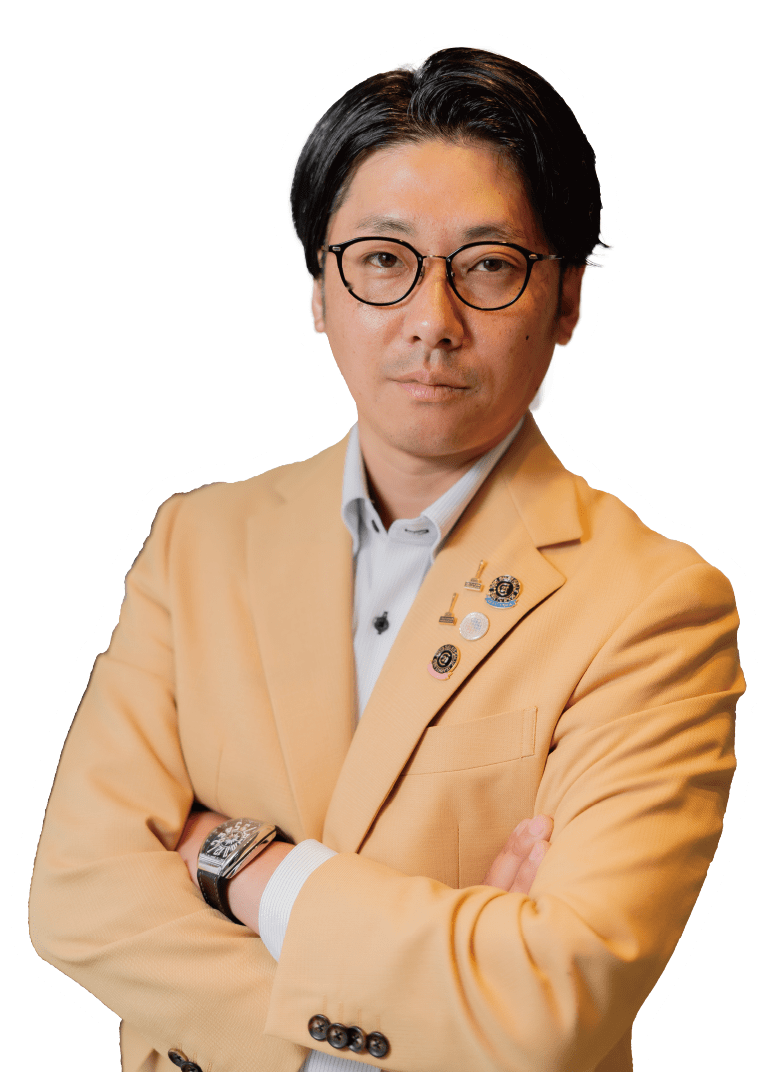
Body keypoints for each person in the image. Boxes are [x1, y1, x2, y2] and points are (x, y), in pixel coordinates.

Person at [28, 47, 743, 1072]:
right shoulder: (195, 542)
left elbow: (554, 1000)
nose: (430, 322)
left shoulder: (653, 602)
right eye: (380, 260)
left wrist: (241, 866)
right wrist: (432, 1007)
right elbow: (73, 895)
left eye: (487, 266)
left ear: (566, 300)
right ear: (319, 291)